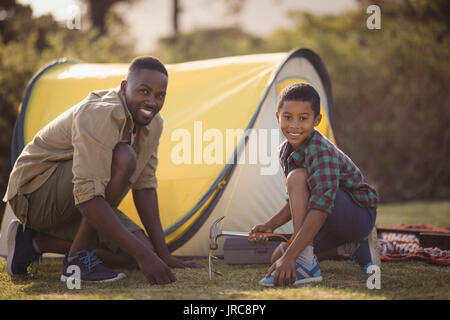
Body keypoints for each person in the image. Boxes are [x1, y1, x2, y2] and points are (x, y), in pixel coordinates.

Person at [4, 56, 202, 284]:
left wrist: (161, 254)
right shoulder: (100, 113)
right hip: (33, 195)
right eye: (144, 91)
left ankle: (33, 242)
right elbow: (88, 196)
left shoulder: (153, 124)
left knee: (134, 252)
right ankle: (76, 259)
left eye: (160, 96)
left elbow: (145, 186)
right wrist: (145, 256)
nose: (152, 102)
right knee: (123, 157)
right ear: (124, 87)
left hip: (77, 200)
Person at [250, 82, 379, 287]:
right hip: (329, 217)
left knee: (297, 178)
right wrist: (270, 226)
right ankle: (350, 245)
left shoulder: (321, 151)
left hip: (358, 214)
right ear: (278, 117)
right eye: (287, 117)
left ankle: (307, 264)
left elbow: (320, 207)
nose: (294, 125)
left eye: (303, 118)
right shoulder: (285, 150)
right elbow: (297, 200)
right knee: (277, 256)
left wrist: (294, 256)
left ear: (316, 120)